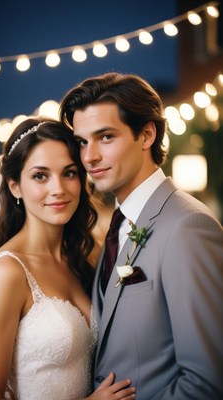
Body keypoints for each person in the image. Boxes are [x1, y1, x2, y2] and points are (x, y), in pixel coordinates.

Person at [60, 72, 223, 399]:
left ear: (147, 134)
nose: (89, 157)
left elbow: (208, 382)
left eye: (105, 137)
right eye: (82, 141)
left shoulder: (187, 227)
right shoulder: (119, 224)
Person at [0, 118, 137, 400]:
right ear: (14, 186)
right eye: (40, 176)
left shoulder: (83, 256)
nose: (58, 188)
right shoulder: (9, 271)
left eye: (69, 173)